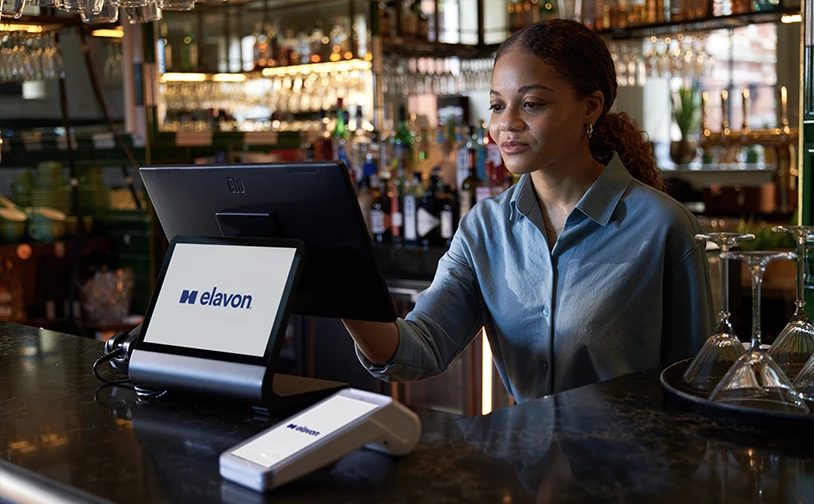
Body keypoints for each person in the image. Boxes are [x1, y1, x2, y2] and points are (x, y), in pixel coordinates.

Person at [343, 19, 714, 403]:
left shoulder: (663, 227)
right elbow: (420, 349)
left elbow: (696, 384)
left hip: (631, 461)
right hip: (528, 461)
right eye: (497, 105)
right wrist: (342, 290)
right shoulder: (484, 228)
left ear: (591, 107)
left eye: (532, 104)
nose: (506, 124)